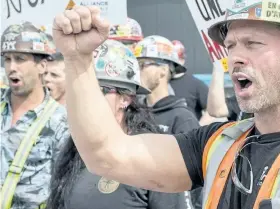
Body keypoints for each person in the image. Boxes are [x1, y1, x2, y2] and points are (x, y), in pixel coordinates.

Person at [53, 0, 280, 209]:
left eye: (253, 43)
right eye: (230, 46)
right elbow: (106, 155)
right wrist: (78, 59)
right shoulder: (220, 143)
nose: (236, 58)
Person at [47, 39, 188, 209]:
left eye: (99, 90)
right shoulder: (71, 153)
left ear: (125, 98)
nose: (85, 100)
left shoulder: (154, 158)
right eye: (80, 91)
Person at [1, 22, 69, 209]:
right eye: (7, 59)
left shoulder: (61, 122)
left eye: (20, 59)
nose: (11, 67)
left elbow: (65, 192)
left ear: (42, 66)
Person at [134, 35, 200, 134]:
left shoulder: (183, 119)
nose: (137, 71)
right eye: (136, 65)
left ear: (163, 70)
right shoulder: (134, 114)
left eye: (143, 64)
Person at [169, 40, 215, 126]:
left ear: (183, 60)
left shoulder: (196, 84)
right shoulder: (161, 83)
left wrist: (196, 129)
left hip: (187, 135)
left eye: (176, 60)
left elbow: (212, 111)